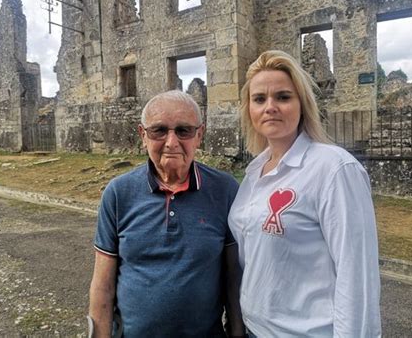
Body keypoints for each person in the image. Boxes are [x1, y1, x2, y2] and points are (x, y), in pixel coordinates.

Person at [228, 50, 381, 337]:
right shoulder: (253, 173)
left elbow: (356, 274)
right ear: (249, 109)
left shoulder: (334, 168)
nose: (270, 106)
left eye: (283, 97)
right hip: (255, 331)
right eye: (259, 99)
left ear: (302, 104)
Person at [89, 90, 245, 337]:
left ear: (199, 135)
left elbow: (234, 277)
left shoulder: (224, 190)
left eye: (184, 131)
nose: (171, 142)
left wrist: (238, 333)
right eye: (159, 131)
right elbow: (103, 285)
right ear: (143, 136)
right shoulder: (119, 193)